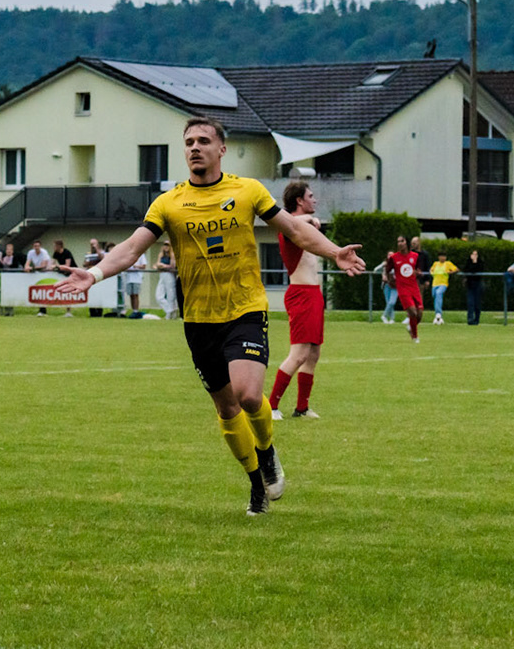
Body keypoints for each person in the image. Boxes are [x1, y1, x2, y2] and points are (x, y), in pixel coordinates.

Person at [64, 117, 365, 515]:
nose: (194, 147)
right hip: (199, 320)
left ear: (221, 149)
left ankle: (268, 450)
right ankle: (256, 481)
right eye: (188, 141)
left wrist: (334, 252)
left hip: (245, 309)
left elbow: (294, 229)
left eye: (203, 140)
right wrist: (96, 272)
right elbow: (134, 246)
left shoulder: (247, 191)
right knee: (226, 409)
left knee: (248, 394)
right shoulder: (169, 202)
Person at [267, 182, 328, 420]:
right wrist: (310, 220)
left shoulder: (302, 226)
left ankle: (302, 407)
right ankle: (271, 406)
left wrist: (311, 221)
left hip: (314, 295)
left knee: (313, 354)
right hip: (301, 293)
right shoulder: (290, 226)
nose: (315, 200)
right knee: (299, 353)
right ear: (300, 201)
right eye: (311, 196)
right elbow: (285, 221)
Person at [389, 237, 424, 341]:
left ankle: (411, 327)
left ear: (407, 243)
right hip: (402, 288)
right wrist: (390, 281)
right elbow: (387, 270)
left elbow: (417, 269)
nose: (400, 243)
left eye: (402, 241)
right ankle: (415, 336)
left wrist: (418, 273)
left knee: (420, 312)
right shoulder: (394, 257)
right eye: (398, 241)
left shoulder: (415, 256)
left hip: (414, 287)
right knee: (413, 312)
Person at [428, 252, 458, 325]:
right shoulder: (435, 264)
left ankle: (438, 313)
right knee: (435, 297)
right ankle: (438, 317)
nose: (443, 258)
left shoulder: (448, 264)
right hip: (435, 284)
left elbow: (456, 269)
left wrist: (450, 272)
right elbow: (431, 270)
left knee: (439, 293)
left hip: (443, 283)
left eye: (444, 256)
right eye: (441, 256)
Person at [380, 243, 402, 324]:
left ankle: (384, 315)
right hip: (386, 285)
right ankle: (392, 319)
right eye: (389, 255)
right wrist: (383, 274)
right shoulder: (385, 264)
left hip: (395, 286)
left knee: (392, 302)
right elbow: (377, 270)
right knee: (389, 302)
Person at [464, 248, 484, 325]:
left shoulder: (480, 263)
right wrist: (472, 263)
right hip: (470, 285)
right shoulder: (468, 262)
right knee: (470, 302)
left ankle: (477, 319)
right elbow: (467, 270)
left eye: (476, 254)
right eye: (473, 254)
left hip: (478, 284)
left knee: (477, 303)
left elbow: (478, 270)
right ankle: (470, 319)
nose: (474, 256)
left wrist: (475, 262)